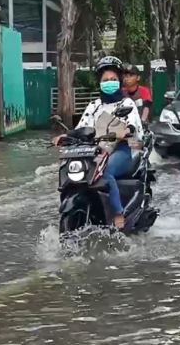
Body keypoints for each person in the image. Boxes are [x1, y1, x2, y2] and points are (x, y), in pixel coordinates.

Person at [52, 56, 144, 230]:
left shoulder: (127, 103)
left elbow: (133, 126)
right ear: (99, 83)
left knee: (103, 173)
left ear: (119, 81)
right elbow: (82, 128)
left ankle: (118, 213)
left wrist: (126, 131)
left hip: (120, 151)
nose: (109, 83)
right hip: (95, 150)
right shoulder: (94, 106)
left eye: (113, 80)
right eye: (105, 80)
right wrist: (65, 136)